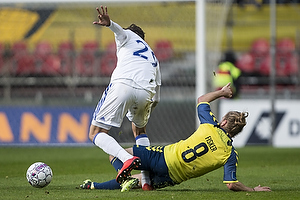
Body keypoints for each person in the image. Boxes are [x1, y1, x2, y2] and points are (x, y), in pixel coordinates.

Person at [80, 82, 271, 192]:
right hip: (173, 178)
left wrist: (222, 92)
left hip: (164, 157)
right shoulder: (230, 154)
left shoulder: (210, 125)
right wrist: (251, 190)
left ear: (222, 122)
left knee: (116, 154)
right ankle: (94, 186)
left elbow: (201, 100)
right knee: (138, 182)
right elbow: (231, 184)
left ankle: (124, 175)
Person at [89, 5, 161, 189]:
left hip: (124, 85)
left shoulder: (128, 37)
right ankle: (146, 181)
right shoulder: (152, 56)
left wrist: (109, 24)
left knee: (96, 133)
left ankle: (127, 159)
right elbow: (156, 98)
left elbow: (120, 32)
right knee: (140, 131)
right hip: (147, 92)